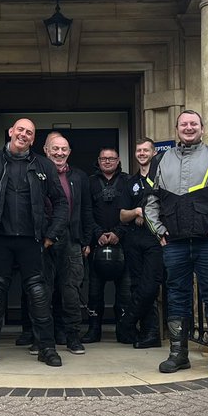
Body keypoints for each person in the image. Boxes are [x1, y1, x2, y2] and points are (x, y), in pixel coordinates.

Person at [144, 110, 208, 378]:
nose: (189, 128)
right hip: (174, 244)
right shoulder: (161, 159)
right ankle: (178, 354)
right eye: (184, 124)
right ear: (176, 129)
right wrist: (159, 231)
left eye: (193, 124)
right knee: (176, 296)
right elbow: (150, 200)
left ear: (202, 127)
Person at [0, 117, 68, 368]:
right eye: (20, 129)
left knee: (39, 294)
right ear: (11, 131)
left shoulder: (44, 165)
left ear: (34, 139)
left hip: (33, 242)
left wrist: (50, 236)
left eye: (29, 132)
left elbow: (62, 204)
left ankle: (47, 348)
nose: (24, 134)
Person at [41, 132, 94, 356]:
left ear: (69, 152)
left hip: (72, 241)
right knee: (42, 290)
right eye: (55, 148)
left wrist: (86, 239)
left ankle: (73, 336)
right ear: (45, 150)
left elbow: (87, 210)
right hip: (44, 241)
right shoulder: (36, 173)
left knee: (71, 290)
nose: (59, 153)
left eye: (64, 149)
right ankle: (42, 339)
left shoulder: (80, 177)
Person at [120, 137, 166, 349]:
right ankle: (150, 334)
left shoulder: (163, 178)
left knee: (149, 287)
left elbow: (167, 209)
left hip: (155, 239)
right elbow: (122, 215)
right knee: (137, 286)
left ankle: (126, 323)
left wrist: (145, 213)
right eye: (138, 150)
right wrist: (137, 211)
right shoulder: (130, 183)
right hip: (133, 240)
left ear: (153, 153)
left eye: (146, 150)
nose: (141, 153)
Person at [86, 147, 134, 343]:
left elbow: (133, 210)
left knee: (124, 292)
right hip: (97, 244)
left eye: (111, 158)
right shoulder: (89, 182)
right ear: (98, 160)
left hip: (124, 243)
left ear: (118, 160)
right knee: (94, 292)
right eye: (103, 158)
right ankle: (93, 330)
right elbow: (85, 212)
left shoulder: (128, 181)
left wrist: (118, 233)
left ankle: (123, 331)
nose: (107, 161)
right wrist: (97, 233)